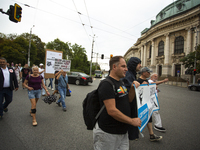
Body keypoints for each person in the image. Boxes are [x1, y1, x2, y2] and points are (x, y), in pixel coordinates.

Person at [93, 56, 141, 150]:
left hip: (122, 132)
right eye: (123, 66)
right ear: (114, 67)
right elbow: (112, 111)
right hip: (108, 133)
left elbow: (128, 100)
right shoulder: (107, 84)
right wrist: (131, 121)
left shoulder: (121, 82)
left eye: (126, 66)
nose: (126, 69)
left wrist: (132, 88)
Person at [137, 67, 162, 141]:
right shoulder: (138, 80)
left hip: (147, 104)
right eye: (148, 72)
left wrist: (154, 88)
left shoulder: (147, 80)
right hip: (139, 105)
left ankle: (151, 135)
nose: (149, 74)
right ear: (143, 73)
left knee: (149, 117)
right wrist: (141, 86)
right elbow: (136, 92)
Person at [122, 57, 142, 141]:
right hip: (128, 107)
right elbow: (126, 92)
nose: (141, 65)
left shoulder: (132, 74)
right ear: (134, 64)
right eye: (139, 63)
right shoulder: (128, 75)